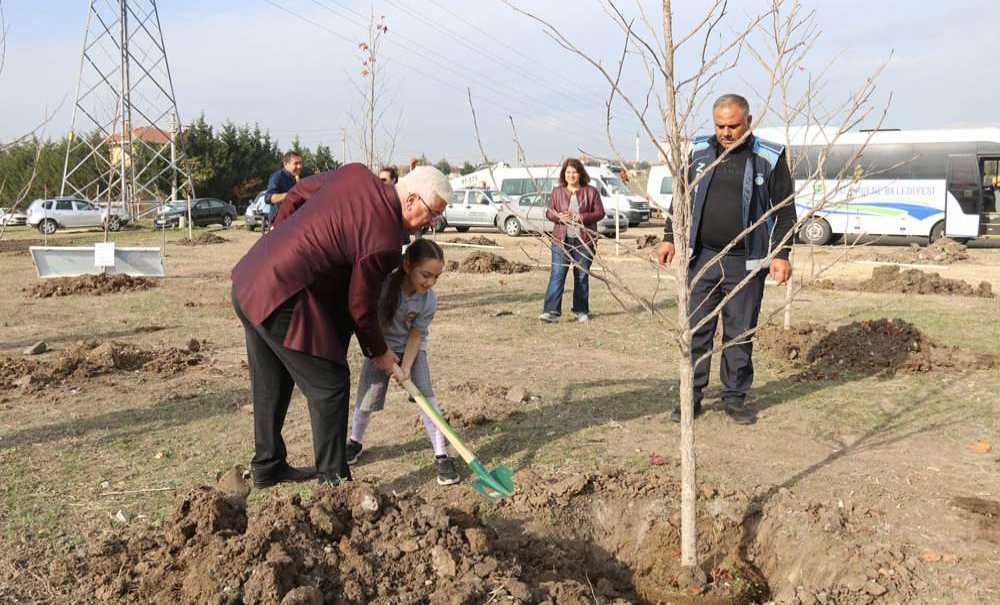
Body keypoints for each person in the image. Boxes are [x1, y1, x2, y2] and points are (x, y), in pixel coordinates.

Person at [231, 163, 451, 487]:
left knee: (271, 379)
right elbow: (360, 306)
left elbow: (298, 193)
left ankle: (268, 466)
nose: (433, 223)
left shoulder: (356, 174)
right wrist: (380, 352)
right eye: (433, 213)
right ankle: (334, 483)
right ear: (411, 200)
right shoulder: (384, 240)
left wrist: (279, 242)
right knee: (330, 384)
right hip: (281, 294)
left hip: (251, 276)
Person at [656, 93, 795, 425]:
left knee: (739, 332)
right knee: (696, 330)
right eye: (720, 126)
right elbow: (681, 197)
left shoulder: (769, 157)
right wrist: (668, 237)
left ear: (748, 121)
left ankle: (734, 398)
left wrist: (781, 254)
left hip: (746, 263)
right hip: (702, 258)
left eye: (733, 126)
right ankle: (691, 397)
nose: (726, 133)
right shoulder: (699, 153)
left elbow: (786, 210)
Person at [344, 239, 460, 486]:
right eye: (426, 275)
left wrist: (406, 368)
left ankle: (442, 455)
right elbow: (370, 325)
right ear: (408, 266)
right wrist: (385, 357)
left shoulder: (428, 300)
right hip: (379, 349)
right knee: (366, 400)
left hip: (412, 350)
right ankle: (354, 442)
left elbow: (416, 335)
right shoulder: (385, 286)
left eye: (436, 277)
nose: (430, 282)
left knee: (427, 399)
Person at [539, 158, 605, 323]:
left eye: (574, 172)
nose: (571, 175)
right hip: (561, 240)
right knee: (557, 275)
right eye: (568, 172)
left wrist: (579, 217)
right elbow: (549, 213)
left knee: (581, 276)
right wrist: (559, 217)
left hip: (584, 241)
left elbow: (600, 213)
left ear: (580, 173)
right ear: (564, 174)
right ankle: (551, 311)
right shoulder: (557, 191)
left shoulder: (591, 191)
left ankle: (581, 311)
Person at [265, 152, 303, 227]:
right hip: (279, 224)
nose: (299, 166)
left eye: (300, 163)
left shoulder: (296, 178)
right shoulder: (277, 177)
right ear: (285, 164)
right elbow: (268, 198)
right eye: (296, 163)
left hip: (293, 222)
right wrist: (290, 194)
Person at [380, 165, 413, 246]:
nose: (381, 182)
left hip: (402, 242)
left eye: (384, 180)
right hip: (385, 243)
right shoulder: (379, 197)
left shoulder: (402, 196)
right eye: (379, 180)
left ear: (393, 180)